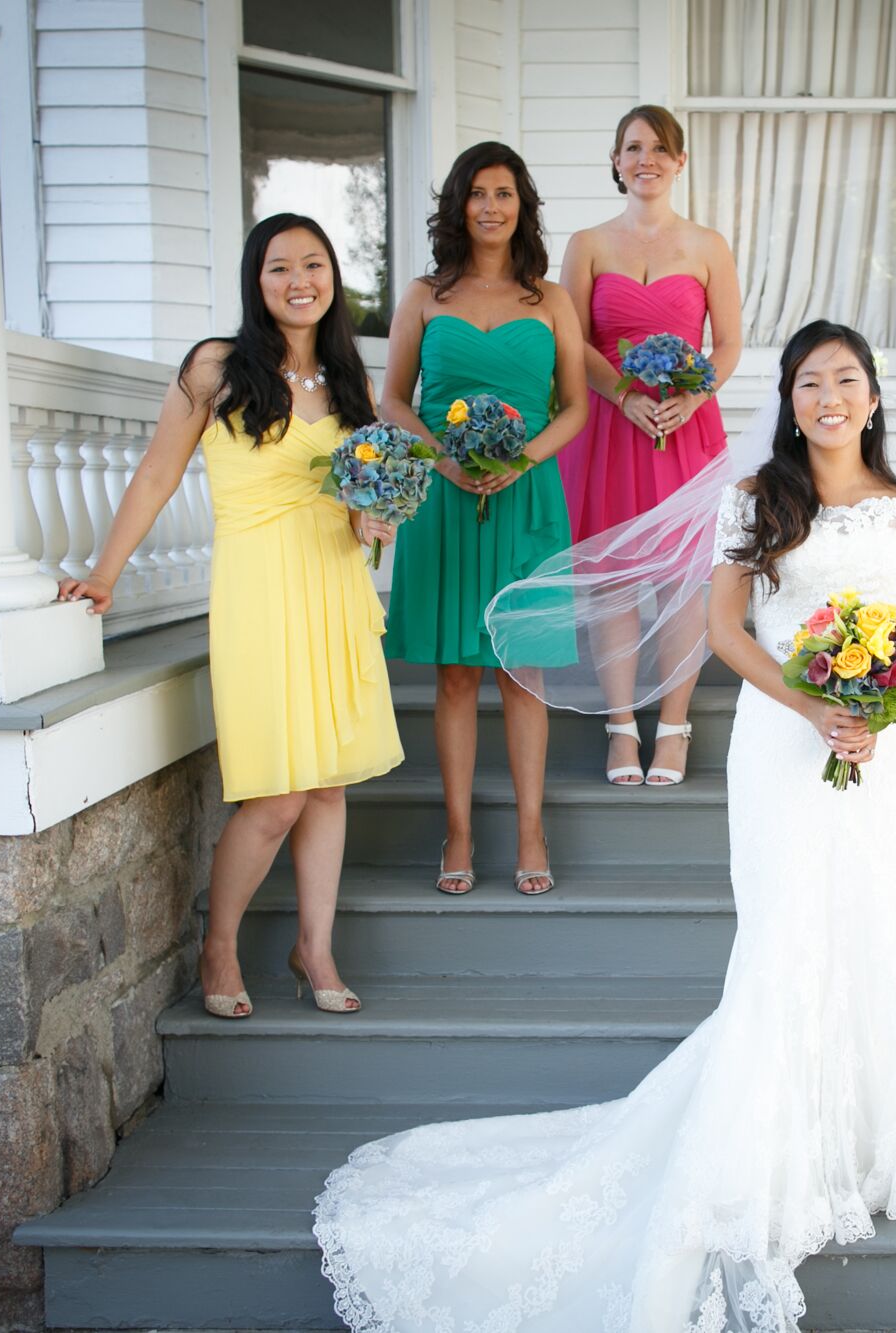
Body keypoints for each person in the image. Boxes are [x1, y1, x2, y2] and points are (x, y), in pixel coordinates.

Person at [313, 321, 896, 1333]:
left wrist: (873, 706)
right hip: (782, 737)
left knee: (868, 920)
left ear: (873, 397)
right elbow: (723, 629)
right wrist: (812, 705)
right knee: (784, 935)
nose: (829, 397)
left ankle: (858, 1143)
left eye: (846, 379)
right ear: (790, 399)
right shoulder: (753, 501)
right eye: (809, 382)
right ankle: (768, 1152)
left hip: (876, 744)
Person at [59, 213, 402, 1017]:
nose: (298, 281)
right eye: (280, 267)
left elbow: (358, 500)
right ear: (257, 279)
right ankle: (220, 945)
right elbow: (155, 474)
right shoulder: (217, 367)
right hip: (259, 588)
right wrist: (104, 573)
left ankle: (314, 948)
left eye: (314, 265)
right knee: (277, 793)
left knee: (326, 786)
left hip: (335, 585)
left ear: (333, 280)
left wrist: (370, 518)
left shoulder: (349, 384)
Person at [378, 143, 589, 898]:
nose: (491, 206)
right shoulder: (424, 295)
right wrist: (441, 459)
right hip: (445, 496)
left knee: (523, 670)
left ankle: (531, 829)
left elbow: (576, 407)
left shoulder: (552, 300)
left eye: (504, 193)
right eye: (477, 193)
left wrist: (523, 460)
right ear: (458, 206)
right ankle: (460, 829)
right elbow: (393, 400)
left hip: (526, 497)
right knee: (458, 675)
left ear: (521, 205)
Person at [558, 104, 743, 786]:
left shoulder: (706, 245)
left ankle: (672, 725)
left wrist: (693, 396)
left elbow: (726, 344)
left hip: (685, 428)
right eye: (634, 148)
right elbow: (570, 339)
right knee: (618, 579)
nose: (647, 160)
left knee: (681, 580)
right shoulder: (587, 244)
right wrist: (623, 395)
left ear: (680, 162)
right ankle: (618, 729)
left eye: (661, 149)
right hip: (610, 425)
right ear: (615, 161)